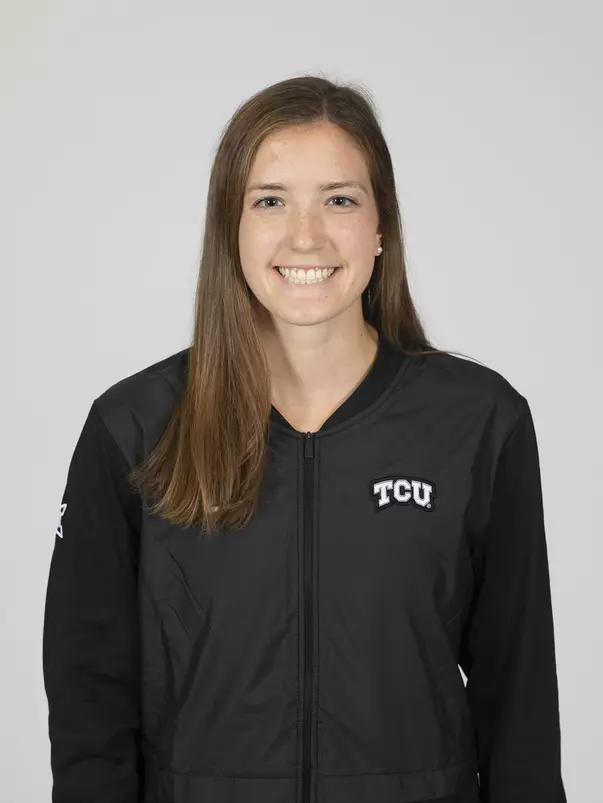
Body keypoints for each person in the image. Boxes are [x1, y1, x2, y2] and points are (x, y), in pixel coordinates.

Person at [42, 74, 567, 803]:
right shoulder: (133, 429)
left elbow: (521, 711)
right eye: (270, 200)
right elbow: (88, 706)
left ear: (381, 226)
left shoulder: (478, 423)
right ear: (231, 225)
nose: (305, 236)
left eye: (340, 199)